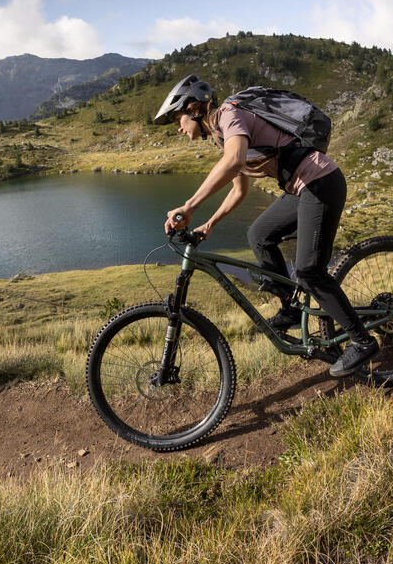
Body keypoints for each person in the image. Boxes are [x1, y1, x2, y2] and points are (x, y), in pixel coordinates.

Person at [154, 74, 379, 377]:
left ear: (193, 108)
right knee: (259, 235)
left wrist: (188, 206)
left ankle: (362, 341)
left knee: (310, 270)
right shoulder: (222, 136)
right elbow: (239, 190)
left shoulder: (230, 114)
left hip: (321, 182)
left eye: (178, 119)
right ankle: (290, 307)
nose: (178, 128)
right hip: (300, 188)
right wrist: (209, 223)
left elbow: (234, 161)